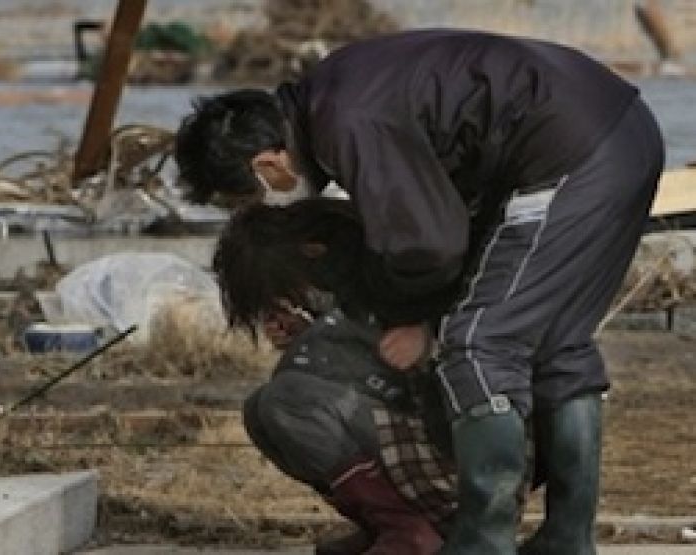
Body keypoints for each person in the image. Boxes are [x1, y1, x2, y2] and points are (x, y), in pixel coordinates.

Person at [177, 29, 664, 554]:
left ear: (268, 167)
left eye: (246, 198)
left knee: (479, 345)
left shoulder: (347, 120)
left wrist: (417, 320)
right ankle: (566, 536)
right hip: (618, 130)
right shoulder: (339, 91)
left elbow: (430, 244)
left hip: (568, 151)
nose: (266, 206)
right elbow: (444, 212)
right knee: (558, 343)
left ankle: (483, 540)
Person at [214, 198, 459, 554]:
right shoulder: (337, 287)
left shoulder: (378, 270)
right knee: (259, 411)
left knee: (285, 402)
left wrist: (308, 341)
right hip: (418, 430)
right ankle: (385, 523)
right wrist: (304, 335)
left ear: (310, 252)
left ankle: (408, 529)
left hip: (452, 441)